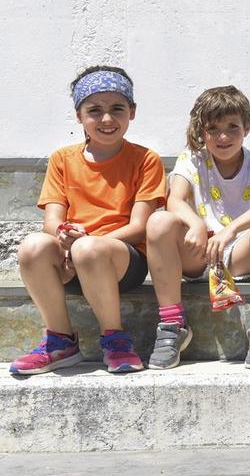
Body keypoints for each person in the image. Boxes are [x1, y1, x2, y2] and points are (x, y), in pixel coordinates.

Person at [9, 66, 166, 375]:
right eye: (95, 111)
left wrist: (85, 244)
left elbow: (138, 227)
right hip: (72, 258)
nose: (107, 119)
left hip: (122, 259)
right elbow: (52, 221)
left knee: (89, 250)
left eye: (117, 109)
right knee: (33, 246)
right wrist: (65, 237)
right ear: (79, 116)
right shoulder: (62, 159)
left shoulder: (146, 160)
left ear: (131, 112)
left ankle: (115, 339)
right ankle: (59, 341)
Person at [145, 86, 250, 370]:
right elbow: (174, 198)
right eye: (213, 129)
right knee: (159, 221)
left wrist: (232, 229)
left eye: (232, 127)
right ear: (202, 131)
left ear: (247, 128)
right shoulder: (192, 159)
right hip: (197, 253)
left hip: (238, 254)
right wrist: (196, 223)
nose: (223, 137)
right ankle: (172, 325)